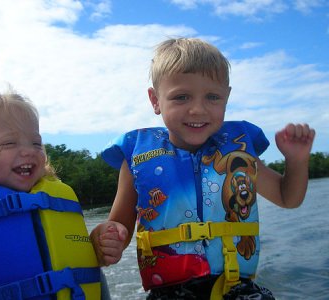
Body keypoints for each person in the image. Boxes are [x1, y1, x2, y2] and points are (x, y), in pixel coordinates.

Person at [91, 38, 315, 300]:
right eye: (181, 97)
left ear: (226, 98)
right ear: (155, 100)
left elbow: (288, 198)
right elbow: (119, 225)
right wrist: (106, 237)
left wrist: (297, 161)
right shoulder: (137, 158)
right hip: (169, 292)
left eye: (212, 97)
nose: (198, 109)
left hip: (236, 288)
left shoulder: (238, 153)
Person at [0, 90, 126, 300]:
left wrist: (98, 245)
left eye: (35, 143)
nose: (29, 151)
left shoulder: (55, 198)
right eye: (9, 143)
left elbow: (80, 262)